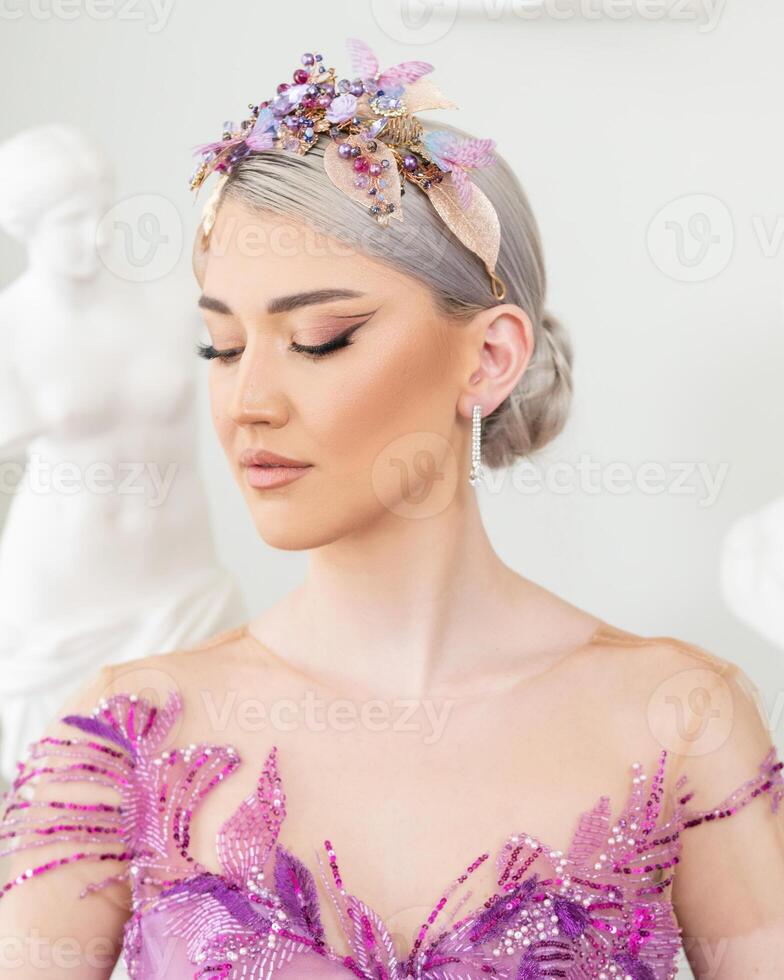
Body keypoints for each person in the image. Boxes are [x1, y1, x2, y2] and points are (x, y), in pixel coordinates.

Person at [1, 38, 782, 980]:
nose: (248, 399)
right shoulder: (127, 732)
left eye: (319, 340)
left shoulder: (679, 719)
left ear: (489, 358)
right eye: (221, 347)